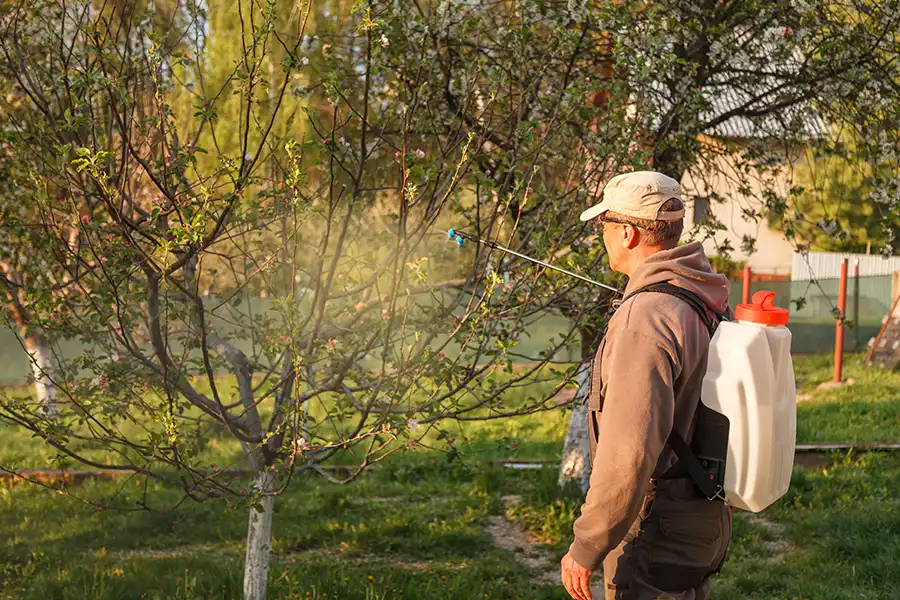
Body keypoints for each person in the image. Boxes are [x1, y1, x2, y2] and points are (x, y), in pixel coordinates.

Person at [560, 171, 732, 600]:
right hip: (700, 516)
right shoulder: (700, 294)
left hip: (655, 529)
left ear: (627, 233)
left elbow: (629, 451)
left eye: (603, 226)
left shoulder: (647, 318)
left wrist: (587, 544)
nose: (602, 235)